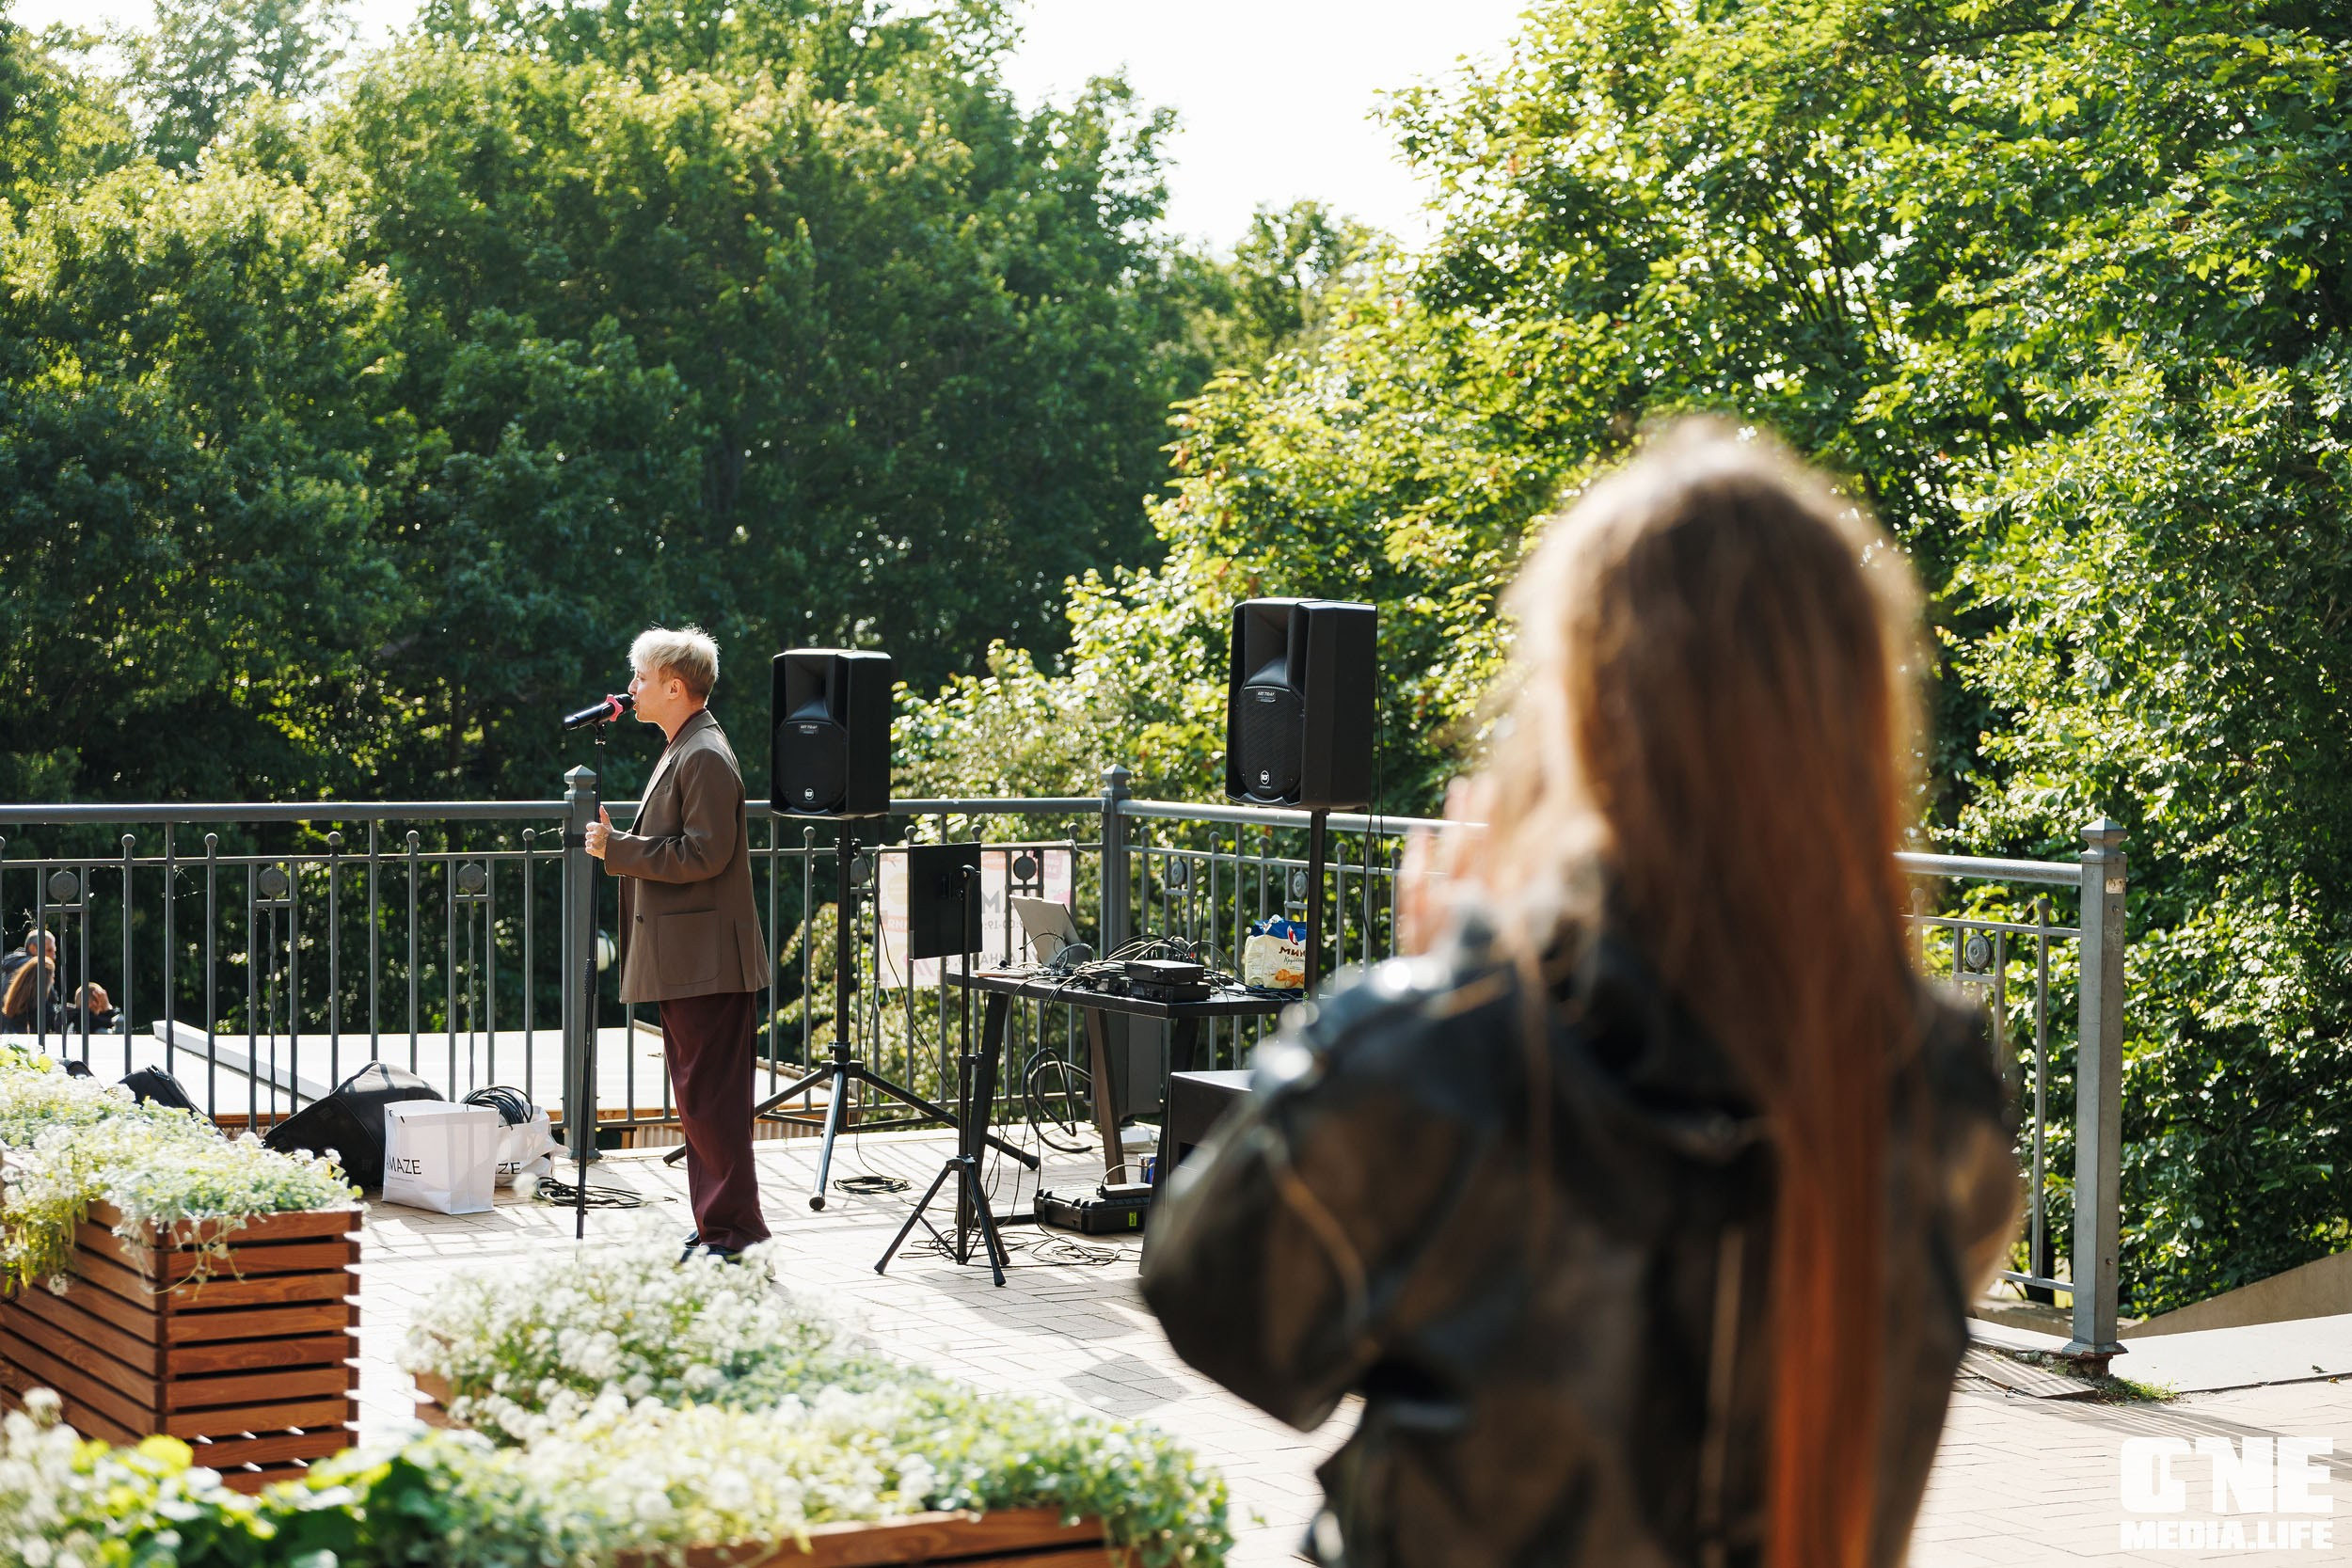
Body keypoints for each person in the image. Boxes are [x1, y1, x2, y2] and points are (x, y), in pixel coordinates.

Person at [1140, 421, 2021, 1568]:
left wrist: (1425, 983)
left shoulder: (1440, 1047)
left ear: (1588, 705)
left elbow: (1219, 1309)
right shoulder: (1938, 1081)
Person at [583, 626, 771, 1260]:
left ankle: (737, 1237)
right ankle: (718, 1223)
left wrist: (619, 849)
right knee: (700, 1102)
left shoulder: (705, 754)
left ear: (674, 684)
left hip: (708, 962)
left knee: (713, 1103)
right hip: (692, 960)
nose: (630, 689)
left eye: (640, 678)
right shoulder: (684, 746)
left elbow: (706, 853)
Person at [0, 929, 117, 1037]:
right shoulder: (39, 971)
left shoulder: (14, 973)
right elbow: (54, 1017)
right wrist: (108, 1011)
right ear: (33, 948)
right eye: (49, 950)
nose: (54, 956)